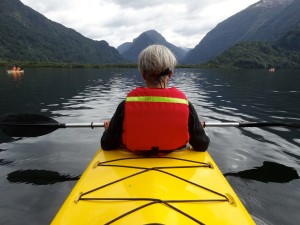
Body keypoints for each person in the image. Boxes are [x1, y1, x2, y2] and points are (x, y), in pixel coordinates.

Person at [101, 44, 210, 153]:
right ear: (170, 75)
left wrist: (108, 129)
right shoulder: (185, 105)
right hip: (175, 162)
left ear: (144, 75)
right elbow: (202, 145)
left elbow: (107, 144)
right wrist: (198, 129)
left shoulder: (125, 106)